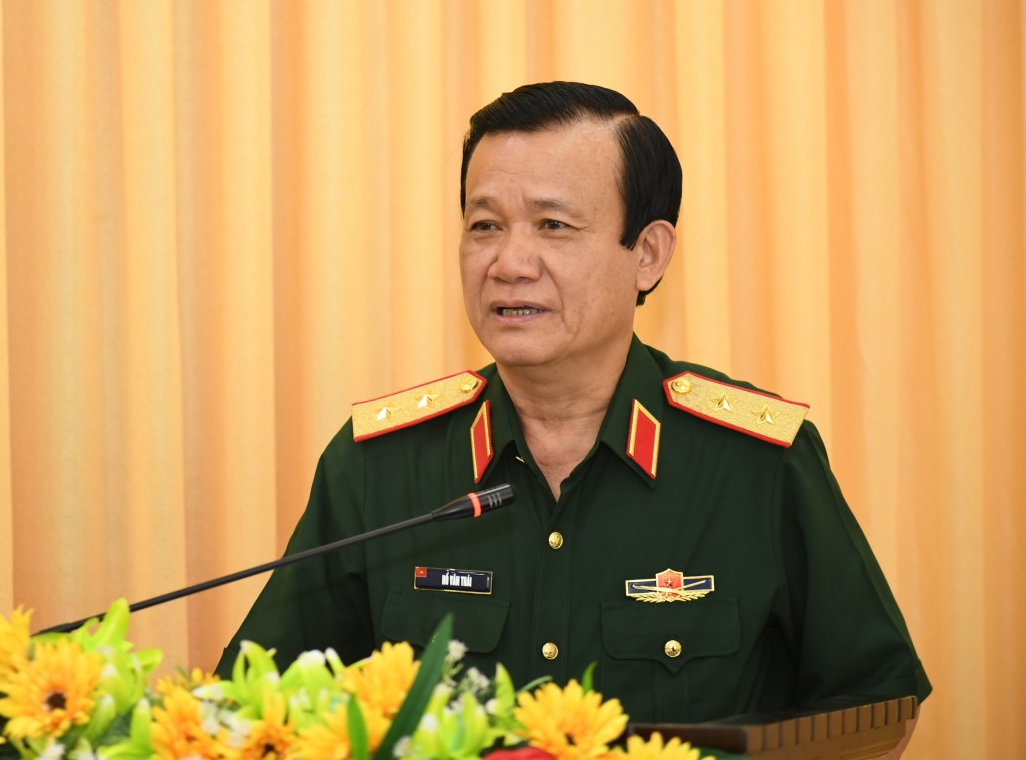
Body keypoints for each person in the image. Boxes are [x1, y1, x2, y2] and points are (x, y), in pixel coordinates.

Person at [216, 82, 931, 726]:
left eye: (553, 226)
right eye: (484, 225)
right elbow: (254, 709)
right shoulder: (379, 466)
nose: (509, 263)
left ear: (647, 254)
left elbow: (874, 707)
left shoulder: (756, 464)